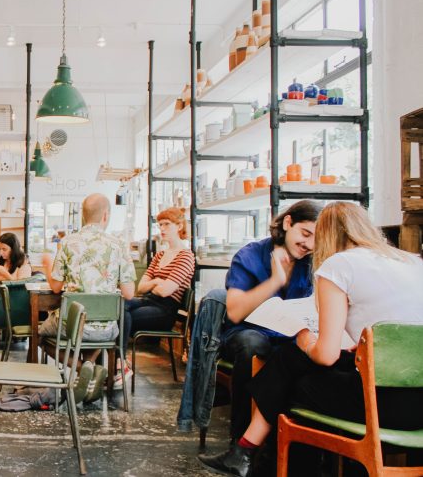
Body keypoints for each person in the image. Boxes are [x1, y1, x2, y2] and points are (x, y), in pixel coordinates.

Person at [199, 202, 423, 477]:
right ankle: (249, 452)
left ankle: (259, 456)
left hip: (380, 405)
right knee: (291, 360)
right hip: (418, 405)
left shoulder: (338, 265)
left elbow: (326, 354)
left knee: (296, 374)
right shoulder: (412, 260)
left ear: (326, 234)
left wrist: (304, 337)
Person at [177, 200, 321, 457]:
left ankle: (300, 448)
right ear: (288, 223)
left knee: (314, 354)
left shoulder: (313, 262)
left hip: (293, 338)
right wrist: (276, 280)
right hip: (247, 333)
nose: (309, 244)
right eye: (305, 233)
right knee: (253, 344)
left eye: (315, 239)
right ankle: (240, 446)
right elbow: (235, 311)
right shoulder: (250, 255)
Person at [39, 194, 136, 390]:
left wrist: (48, 265)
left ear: (83, 216)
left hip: (72, 326)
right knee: (99, 328)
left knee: (39, 335)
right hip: (107, 329)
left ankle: (82, 368)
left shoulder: (67, 242)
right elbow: (129, 293)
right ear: (106, 215)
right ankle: (90, 368)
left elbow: (56, 287)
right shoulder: (119, 244)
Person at [121, 207, 195, 382]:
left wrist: (155, 284)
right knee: (119, 306)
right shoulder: (160, 255)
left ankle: (118, 363)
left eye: (166, 224)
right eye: (160, 224)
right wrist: (156, 282)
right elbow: (141, 287)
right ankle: (118, 362)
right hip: (148, 301)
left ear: (179, 226)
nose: (162, 229)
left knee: (124, 316)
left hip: (166, 310)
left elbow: (166, 291)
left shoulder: (186, 256)